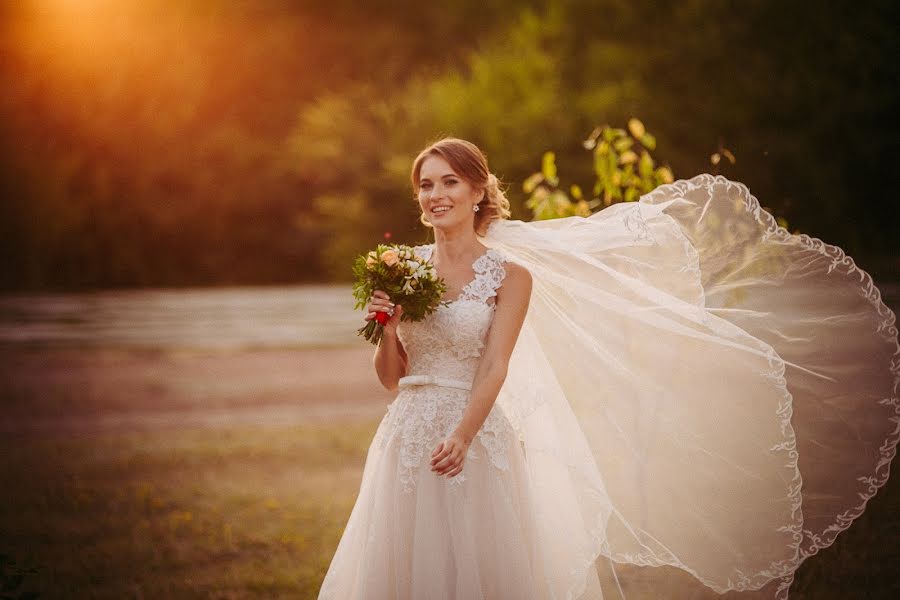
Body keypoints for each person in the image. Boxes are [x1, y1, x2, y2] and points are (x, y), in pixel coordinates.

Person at [318, 138, 900, 599]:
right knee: (404, 569)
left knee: (479, 570)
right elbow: (391, 378)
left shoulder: (511, 274)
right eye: (425, 184)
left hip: (474, 437)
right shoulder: (395, 268)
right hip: (406, 436)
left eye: (449, 182)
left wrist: (464, 435)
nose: (435, 194)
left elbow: (495, 365)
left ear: (477, 192)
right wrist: (389, 327)